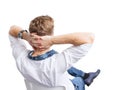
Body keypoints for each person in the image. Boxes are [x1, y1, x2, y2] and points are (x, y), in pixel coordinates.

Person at [9, 15, 99, 90]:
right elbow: (89, 37)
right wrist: (52, 40)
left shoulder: (21, 58)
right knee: (79, 80)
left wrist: (27, 37)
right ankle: (85, 76)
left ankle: (86, 75)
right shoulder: (56, 62)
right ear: (50, 36)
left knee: (56, 57)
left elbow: (12, 30)